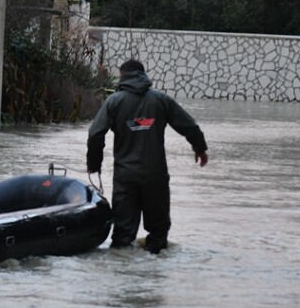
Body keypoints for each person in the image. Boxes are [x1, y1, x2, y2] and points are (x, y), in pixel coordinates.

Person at [86, 59, 208, 254]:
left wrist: (94, 164)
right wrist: (200, 149)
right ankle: (153, 280)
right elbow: (189, 126)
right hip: (155, 177)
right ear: (143, 75)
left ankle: (124, 275)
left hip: (125, 179)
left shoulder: (114, 102)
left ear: (122, 77)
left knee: (123, 236)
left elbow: (95, 135)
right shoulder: (161, 100)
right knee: (159, 235)